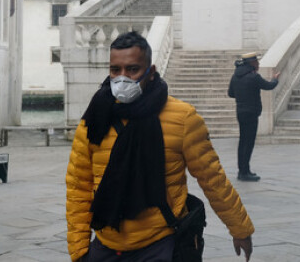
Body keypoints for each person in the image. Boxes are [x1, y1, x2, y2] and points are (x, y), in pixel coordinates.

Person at [65, 31, 254, 262]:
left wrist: (240, 229)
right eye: (116, 70)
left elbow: (212, 179)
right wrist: (79, 251)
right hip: (106, 245)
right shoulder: (94, 119)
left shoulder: (183, 118)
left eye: (132, 69)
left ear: (151, 72)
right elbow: (79, 188)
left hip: (160, 245)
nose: (122, 77)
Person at [228, 52, 279, 181]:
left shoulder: (235, 76)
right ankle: (245, 172)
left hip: (240, 111)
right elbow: (269, 86)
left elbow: (231, 93)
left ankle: (242, 170)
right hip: (251, 112)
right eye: (256, 61)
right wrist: (275, 79)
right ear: (251, 63)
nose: (258, 63)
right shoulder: (253, 77)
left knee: (242, 141)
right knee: (249, 142)